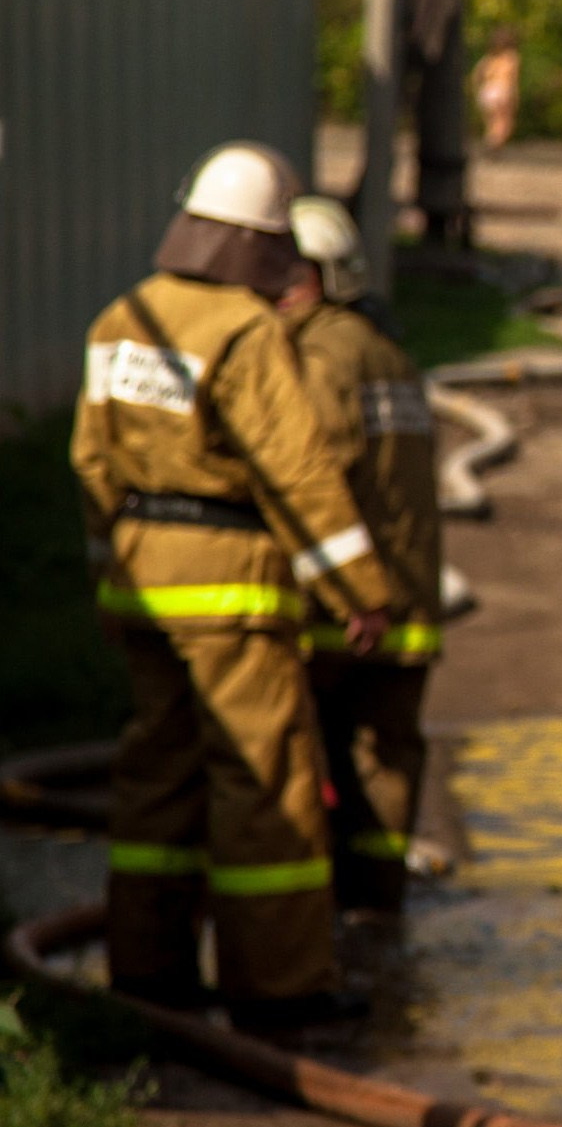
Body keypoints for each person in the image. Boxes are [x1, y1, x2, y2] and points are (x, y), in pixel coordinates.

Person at [71, 142, 392, 1029]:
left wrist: (113, 570)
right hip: (228, 592)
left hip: (141, 584)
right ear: (263, 243)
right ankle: (279, 986)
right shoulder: (246, 332)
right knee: (263, 786)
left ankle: (148, 971)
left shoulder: (120, 318)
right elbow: (297, 474)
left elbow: (92, 463)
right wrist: (360, 590)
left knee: (153, 776)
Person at [278, 196, 444, 927]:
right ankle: (377, 910)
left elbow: (313, 473)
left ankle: (298, 923)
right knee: (385, 759)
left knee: (292, 751)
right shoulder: (390, 351)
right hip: (407, 601)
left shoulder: (317, 355)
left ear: (314, 276)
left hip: (341, 608)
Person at [473, 26, 523, 152]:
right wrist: (515, 96)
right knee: (504, 123)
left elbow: (476, 75)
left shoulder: (488, 59)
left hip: (487, 90)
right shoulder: (511, 58)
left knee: (491, 123)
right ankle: (494, 145)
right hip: (502, 90)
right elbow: (513, 80)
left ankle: (491, 142)